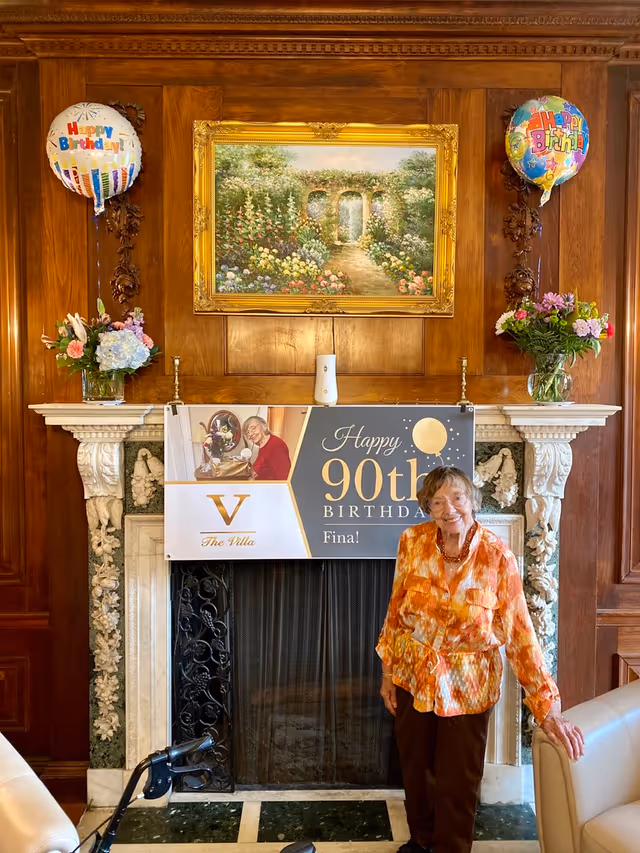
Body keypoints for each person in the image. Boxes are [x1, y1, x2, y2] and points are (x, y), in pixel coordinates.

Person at [377, 466, 584, 853]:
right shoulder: (412, 542)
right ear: (429, 508)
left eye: (456, 497)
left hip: (467, 688)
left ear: (472, 501)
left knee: (458, 781)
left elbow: (521, 633)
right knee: (416, 772)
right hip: (412, 676)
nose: (448, 508)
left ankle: (451, 848)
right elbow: (397, 610)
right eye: (437, 501)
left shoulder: (497, 557)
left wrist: (548, 708)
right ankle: (420, 842)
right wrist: (388, 672)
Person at [243, 415, 291, 481]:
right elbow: (264, 469)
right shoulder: (262, 446)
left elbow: (284, 478)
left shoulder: (276, 445)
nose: (250, 434)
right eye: (247, 432)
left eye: (253, 428)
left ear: (264, 426)